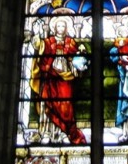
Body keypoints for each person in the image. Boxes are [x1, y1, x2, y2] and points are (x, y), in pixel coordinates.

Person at [30, 16, 87, 144]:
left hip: (65, 78)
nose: (60, 28)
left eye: (63, 26)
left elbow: (75, 60)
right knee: (48, 103)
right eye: (58, 26)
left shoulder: (70, 42)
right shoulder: (48, 42)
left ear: (66, 28)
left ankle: (63, 132)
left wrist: (80, 55)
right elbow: (42, 58)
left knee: (66, 105)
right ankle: (47, 132)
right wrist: (38, 45)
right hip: (50, 77)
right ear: (54, 27)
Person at [109, 19, 128, 140]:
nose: (125, 33)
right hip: (124, 73)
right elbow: (112, 53)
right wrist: (120, 56)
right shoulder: (118, 43)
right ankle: (124, 126)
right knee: (125, 96)